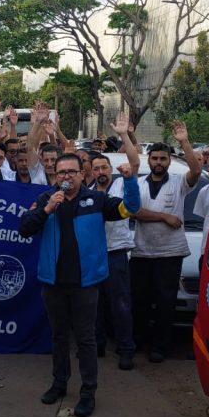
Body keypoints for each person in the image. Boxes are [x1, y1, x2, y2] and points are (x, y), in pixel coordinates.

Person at [18, 153, 141, 417]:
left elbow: (129, 208)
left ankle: (88, 393)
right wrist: (47, 210)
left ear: (81, 174)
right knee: (59, 336)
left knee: (85, 339)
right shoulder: (46, 199)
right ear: (55, 176)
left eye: (71, 172)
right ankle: (59, 384)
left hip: (86, 284)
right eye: (61, 172)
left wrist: (130, 180)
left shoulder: (96, 200)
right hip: (53, 283)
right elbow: (24, 228)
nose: (66, 177)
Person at [129, 120, 202, 363]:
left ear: (170, 161)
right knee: (139, 300)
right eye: (155, 158)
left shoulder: (179, 182)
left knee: (165, 302)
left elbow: (196, 171)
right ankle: (138, 340)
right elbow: (134, 212)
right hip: (141, 251)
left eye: (163, 158)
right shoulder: (138, 184)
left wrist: (184, 141)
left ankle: (161, 346)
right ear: (149, 160)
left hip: (170, 253)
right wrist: (164, 217)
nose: (158, 162)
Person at [89, 113, 140, 370]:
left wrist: (123, 135)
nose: (101, 172)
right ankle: (97, 345)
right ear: (91, 171)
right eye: (96, 168)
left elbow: (134, 161)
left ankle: (126, 349)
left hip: (116, 253)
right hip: (93, 255)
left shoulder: (122, 185)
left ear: (110, 169)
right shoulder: (86, 193)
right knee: (94, 305)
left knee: (120, 304)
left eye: (104, 168)